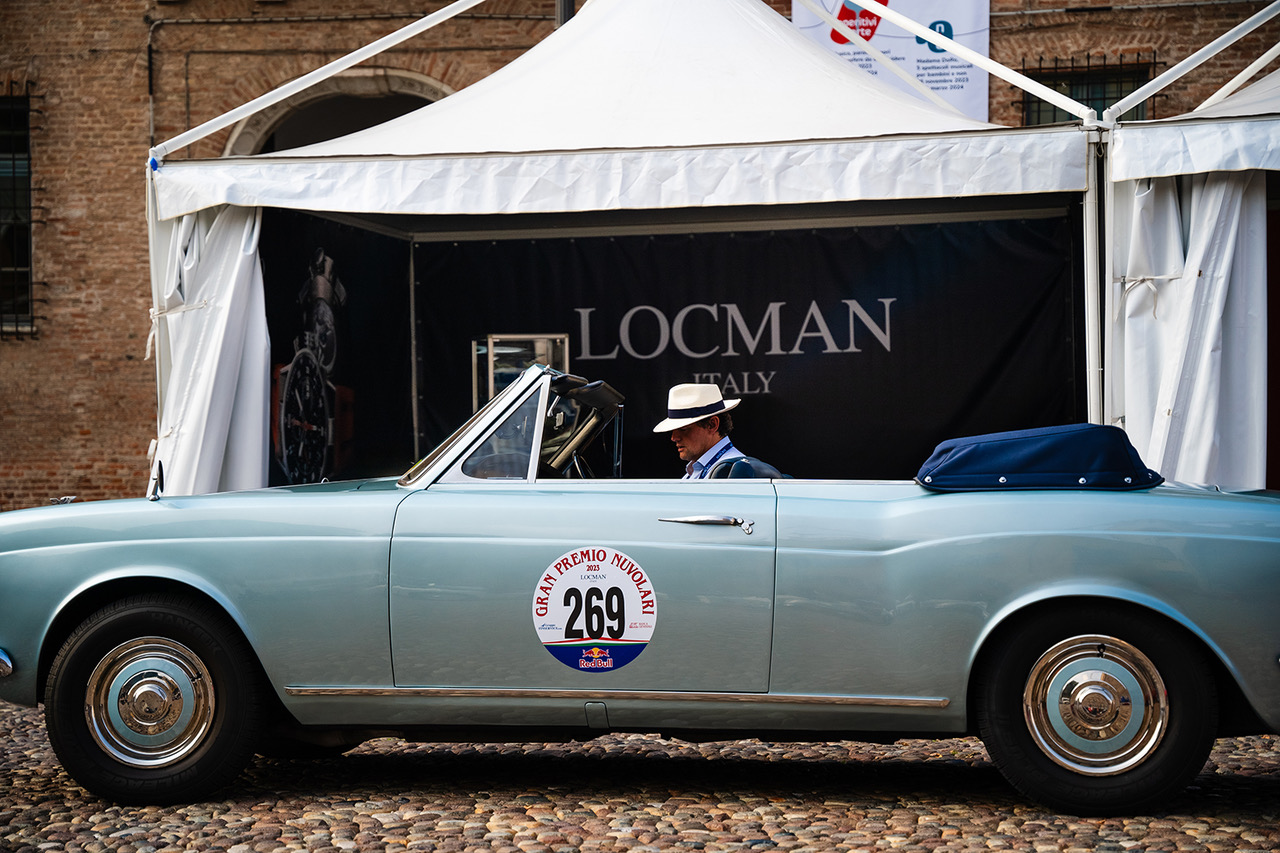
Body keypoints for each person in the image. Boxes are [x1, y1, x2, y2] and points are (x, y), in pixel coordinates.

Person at [652, 383, 745, 479]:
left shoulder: (734, 471)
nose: (674, 437)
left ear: (712, 425)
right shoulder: (695, 471)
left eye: (683, 429)